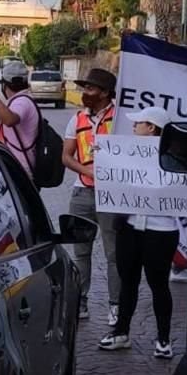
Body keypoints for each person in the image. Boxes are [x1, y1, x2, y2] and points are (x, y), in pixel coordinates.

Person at [98, 107, 180, 359]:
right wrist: (104, 159)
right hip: (131, 228)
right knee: (128, 282)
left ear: (152, 128)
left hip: (161, 231)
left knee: (158, 285)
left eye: (139, 124)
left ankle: (164, 339)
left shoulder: (175, 158)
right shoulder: (126, 154)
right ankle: (121, 332)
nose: (133, 128)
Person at [62, 67, 120, 323]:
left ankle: (115, 306)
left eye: (90, 88)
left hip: (112, 195)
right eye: (84, 88)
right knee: (80, 253)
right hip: (82, 192)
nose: (85, 92)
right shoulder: (77, 119)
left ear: (105, 93)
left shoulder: (121, 119)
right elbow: (66, 156)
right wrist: (87, 171)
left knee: (114, 255)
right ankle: (81, 302)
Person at [0, 60, 39, 177]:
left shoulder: (22, 101)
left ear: (5, 85)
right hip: (16, 167)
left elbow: (9, 120)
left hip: (20, 169)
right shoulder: (22, 99)